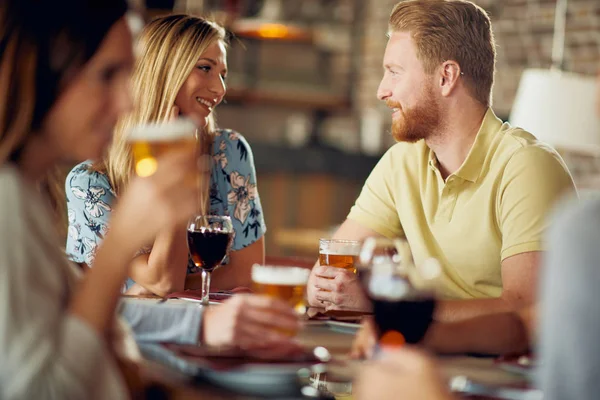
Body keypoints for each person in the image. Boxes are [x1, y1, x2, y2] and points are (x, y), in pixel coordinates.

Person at [0, 2, 300, 398]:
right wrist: (122, 242)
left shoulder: (25, 196)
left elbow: (98, 315)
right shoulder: (22, 201)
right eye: (108, 75)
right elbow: (47, 389)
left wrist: (198, 326)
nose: (127, 101)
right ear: (41, 71)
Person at [308, 0, 575, 322]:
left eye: (394, 72)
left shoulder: (526, 166)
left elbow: (526, 311)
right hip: (423, 356)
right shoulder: (402, 162)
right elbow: (329, 270)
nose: (381, 90)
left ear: (446, 77)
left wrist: (388, 307)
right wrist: (326, 288)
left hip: (501, 367)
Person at [65, 14, 266, 296]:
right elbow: (163, 281)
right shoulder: (90, 184)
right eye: (205, 68)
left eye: (222, 74)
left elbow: (247, 273)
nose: (219, 89)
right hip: (134, 337)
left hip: (216, 332)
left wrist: (158, 290)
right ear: (163, 72)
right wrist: (176, 164)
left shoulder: (228, 151)